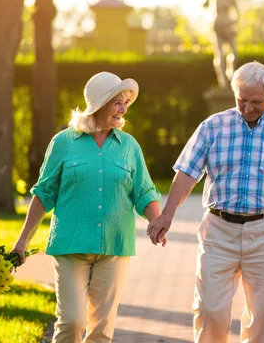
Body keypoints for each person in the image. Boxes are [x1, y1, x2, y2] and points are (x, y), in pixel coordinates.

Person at [147, 62, 264, 343]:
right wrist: (167, 215)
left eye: (257, 102)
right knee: (209, 310)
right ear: (234, 92)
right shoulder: (213, 126)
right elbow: (187, 173)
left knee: (262, 312)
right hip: (218, 229)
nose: (248, 108)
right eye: (242, 100)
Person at [12, 71, 163, 343]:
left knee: (101, 331)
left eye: (125, 102)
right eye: (117, 102)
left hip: (114, 248)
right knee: (72, 320)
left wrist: (156, 222)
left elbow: (144, 191)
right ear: (100, 103)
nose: (123, 108)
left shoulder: (129, 146)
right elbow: (44, 193)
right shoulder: (64, 142)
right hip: (71, 246)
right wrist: (22, 241)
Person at [186, 0, 239, 88]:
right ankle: (223, 80)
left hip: (228, 26)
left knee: (234, 53)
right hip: (218, 25)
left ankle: (231, 74)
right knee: (220, 54)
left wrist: (233, 22)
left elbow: (238, 12)